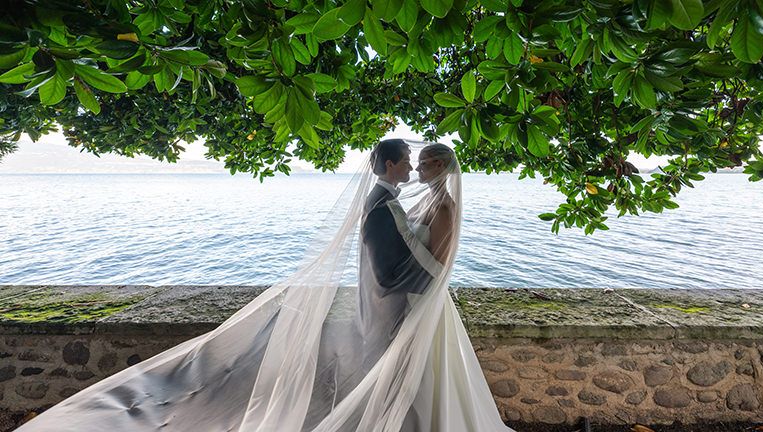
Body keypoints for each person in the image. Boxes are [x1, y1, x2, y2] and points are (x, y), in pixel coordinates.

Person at [17, 139, 512, 432]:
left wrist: (414, 288)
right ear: (390, 166)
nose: (416, 167)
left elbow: (436, 261)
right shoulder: (391, 204)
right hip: (404, 302)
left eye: (424, 162)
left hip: (423, 303)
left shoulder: (437, 205)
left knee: (431, 370)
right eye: (412, 161)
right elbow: (394, 260)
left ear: (442, 168)